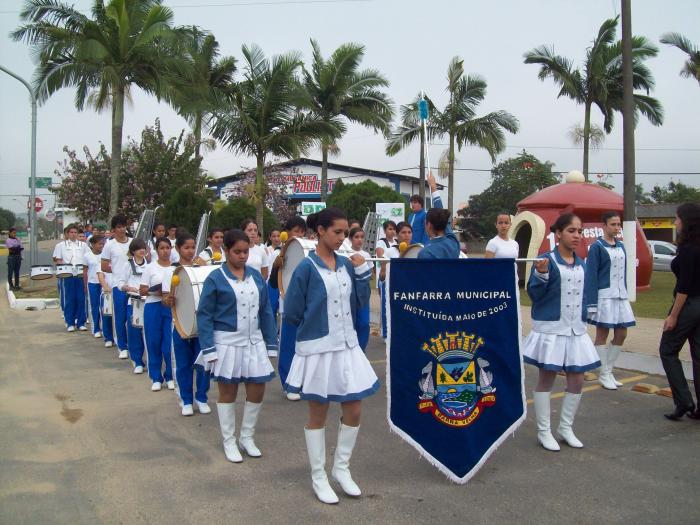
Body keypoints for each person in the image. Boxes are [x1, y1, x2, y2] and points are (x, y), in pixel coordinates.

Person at [283, 207, 377, 504]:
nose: (342, 238)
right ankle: (319, 476)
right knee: (318, 414)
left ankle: (341, 468)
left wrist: (363, 275)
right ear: (320, 231)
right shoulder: (305, 268)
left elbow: (360, 303)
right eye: (337, 232)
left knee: (355, 409)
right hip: (320, 350)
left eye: (345, 233)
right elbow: (294, 312)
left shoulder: (348, 264)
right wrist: (316, 330)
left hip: (347, 346)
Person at [195, 229, 279, 462]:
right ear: (225, 251)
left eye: (246, 251)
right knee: (228, 392)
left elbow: (266, 311)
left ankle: (247, 437)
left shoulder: (255, 276)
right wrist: (209, 348)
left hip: (254, 343)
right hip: (227, 344)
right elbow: (204, 315)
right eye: (237, 252)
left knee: (257, 388)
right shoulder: (215, 278)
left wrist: (271, 342)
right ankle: (229, 440)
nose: (242, 256)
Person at [523, 213, 600, 452]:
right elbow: (534, 294)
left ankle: (565, 428)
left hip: (575, 330)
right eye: (571, 231)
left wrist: (590, 314)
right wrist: (541, 274)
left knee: (577, 379)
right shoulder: (546, 261)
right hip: (552, 330)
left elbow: (586, 294)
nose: (576, 235)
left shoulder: (582, 263)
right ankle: (544, 431)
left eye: (579, 231)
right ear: (558, 234)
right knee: (547, 378)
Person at [585, 211, 636, 390]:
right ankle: (604, 373)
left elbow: (624, 273)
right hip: (604, 296)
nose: (616, 227)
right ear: (604, 226)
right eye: (613, 224)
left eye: (618, 224)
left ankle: (609, 370)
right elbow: (591, 276)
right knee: (602, 334)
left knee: (622, 333)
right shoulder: (596, 247)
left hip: (620, 295)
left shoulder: (621, 246)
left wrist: (626, 293)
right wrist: (591, 303)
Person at [658, 203, 700, 421]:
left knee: (667, 349)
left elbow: (684, 287)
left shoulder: (688, 249)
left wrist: (673, 315)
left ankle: (683, 401)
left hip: (689, 304)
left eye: (677, 219)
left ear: (687, 221)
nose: (675, 223)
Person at [163, 233, 211, 416]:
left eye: (193, 247)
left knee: (203, 362)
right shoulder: (171, 272)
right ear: (178, 249)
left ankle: (202, 397)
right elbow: (165, 301)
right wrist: (169, 299)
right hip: (180, 323)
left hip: (201, 324)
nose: (190, 251)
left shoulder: (200, 268)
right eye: (186, 248)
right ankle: (186, 400)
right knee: (183, 363)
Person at [270, 216, 307, 399]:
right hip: (288, 307)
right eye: (296, 231)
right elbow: (274, 284)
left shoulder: (310, 250)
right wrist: (276, 267)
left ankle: (304, 382)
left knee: (306, 347)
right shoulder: (280, 252)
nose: (299, 234)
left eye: (302, 231)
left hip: (307, 308)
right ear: (288, 232)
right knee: (288, 347)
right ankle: (288, 384)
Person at [140, 237, 175, 392]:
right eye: (162, 248)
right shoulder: (150, 268)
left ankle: (170, 375)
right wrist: (156, 290)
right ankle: (156, 377)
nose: (165, 251)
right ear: (156, 250)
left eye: (168, 247)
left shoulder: (176, 267)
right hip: (153, 305)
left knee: (169, 343)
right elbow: (142, 289)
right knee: (153, 341)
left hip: (170, 307)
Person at [101, 215, 132, 358]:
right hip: (118, 285)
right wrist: (118, 272)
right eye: (119, 227)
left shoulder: (132, 242)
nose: (122, 229)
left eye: (124, 226)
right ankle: (122, 346)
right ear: (113, 230)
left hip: (133, 285)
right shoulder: (109, 245)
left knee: (131, 316)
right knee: (120, 316)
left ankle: (133, 345)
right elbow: (104, 266)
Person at [117, 239, 148, 374]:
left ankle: (151, 361)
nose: (142, 250)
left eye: (144, 248)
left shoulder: (150, 265)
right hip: (134, 302)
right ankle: (137, 361)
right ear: (133, 251)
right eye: (139, 248)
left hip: (148, 302)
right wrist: (129, 288)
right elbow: (120, 283)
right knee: (134, 332)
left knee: (149, 333)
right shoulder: (127, 265)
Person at [378, 222, 412, 338]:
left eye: (409, 232)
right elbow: (382, 276)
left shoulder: (417, 250)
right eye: (403, 232)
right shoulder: (389, 252)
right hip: (391, 286)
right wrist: (386, 267)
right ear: (397, 235)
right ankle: (387, 335)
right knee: (389, 312)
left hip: (408, 289)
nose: (407, 235)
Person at [53, 224, 88, 332]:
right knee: (69, 299)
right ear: (67, 234)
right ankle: (70, 322)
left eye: (75, 232)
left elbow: (88, 259)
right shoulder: (60, 245)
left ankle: (81, 322)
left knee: (81, 299)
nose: (73, 234)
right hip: (68, 275)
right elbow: (57, 259)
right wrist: (64, 266)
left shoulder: (83, 245)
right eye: (71, 232)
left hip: (80, 275)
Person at [417, 173, 460, 259]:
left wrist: (433, 187)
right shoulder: (453, 243)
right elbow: (445, 222)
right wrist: (433, 188)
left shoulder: (425, 253)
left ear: (428, 225)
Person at [347, 226, 373, 351]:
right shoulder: (344, 253)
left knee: (363, 324)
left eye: (362, 237)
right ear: (350, 238)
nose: (359, 240)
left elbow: (370, 274)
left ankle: (361, 351)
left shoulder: (366, 254)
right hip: (349, 294)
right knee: (351, 324)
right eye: (356, 237)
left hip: (363, 295)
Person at [84, 234, 108, 340]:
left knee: (103, 307)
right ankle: (96, 329)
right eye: (100, 244)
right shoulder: (87, 256)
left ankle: (104, 328)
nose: (102, 246)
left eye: (103, 243)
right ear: (93, 244)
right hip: (93, 283)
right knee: (94, 306)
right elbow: (85, 271)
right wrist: (85, 285)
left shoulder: (105, 255)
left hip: (104, 284)